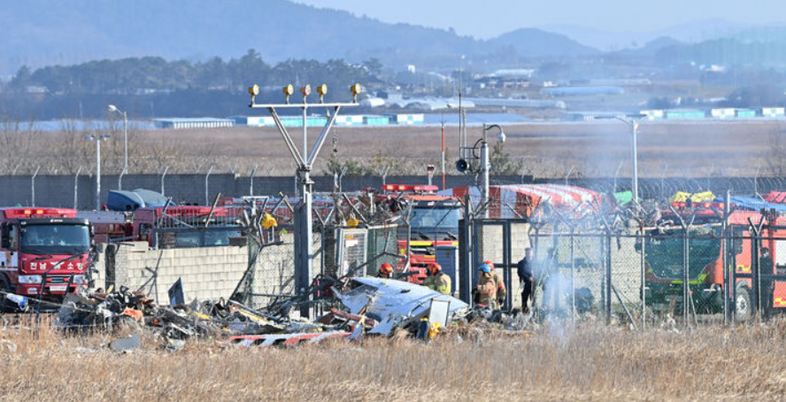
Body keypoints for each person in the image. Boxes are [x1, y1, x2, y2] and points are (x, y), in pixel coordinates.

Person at [517, 248, 534, 314]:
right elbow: (520, 273)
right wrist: (528, 278)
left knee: (533, 297)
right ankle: (524, 310)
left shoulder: (535, 262)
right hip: (525, 282)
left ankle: (533, 312)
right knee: (524, 296)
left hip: (533, 283)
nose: (529, 254)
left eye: (530, 252)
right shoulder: (521, 263)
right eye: (528, 252)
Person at [760, 247, 774, 318]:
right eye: (763, 252)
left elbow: (770, 271)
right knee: (762, 300)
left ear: (768, 252)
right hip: (761, 283)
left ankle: (768, 315)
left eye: (765, 252)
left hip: (767, 283)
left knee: (768, 300)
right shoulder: (760, 260)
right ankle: (762, 314)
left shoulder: (769, 261)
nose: (764, 254)